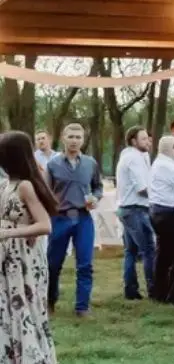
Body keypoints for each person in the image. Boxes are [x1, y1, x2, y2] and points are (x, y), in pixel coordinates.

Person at [0, 131, 59, 364]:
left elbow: (44, 224)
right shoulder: (5, 185)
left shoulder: (25, 185)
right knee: (7, 315)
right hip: (6, 259)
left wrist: (9, 233)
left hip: (24, 259)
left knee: (25, 312)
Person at [46, 123, 103, 318]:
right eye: (71, 137)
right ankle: (49, 301)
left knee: (85, 264)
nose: (74, 141)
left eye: (78, 137)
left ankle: (82, 307)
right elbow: (46, 192)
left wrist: (95, 197)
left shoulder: (90, 163)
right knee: (53, 264)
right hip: (60, 218)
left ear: (83, 140)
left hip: (83, 218)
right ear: (63, 138)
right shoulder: (53, 164)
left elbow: (98, 187)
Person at [115, 125, 156, 301]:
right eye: (144, 138)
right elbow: (142, 188)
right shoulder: (134, 158)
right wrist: (160, 195)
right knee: (148, 249)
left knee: (130, 251)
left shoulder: (132, 156)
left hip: (127, 209)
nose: (148, 141)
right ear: (134, 141)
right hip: (135, 209)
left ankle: (130, 290)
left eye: (148, 138)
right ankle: (154, 289)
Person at [149, 134, 174, 306]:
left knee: (164, 253)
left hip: (159, 210)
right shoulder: (167, 166)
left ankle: (160, 291)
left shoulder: (160, 163)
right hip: (169, 212)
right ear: (171, 150)